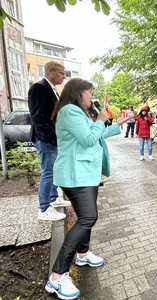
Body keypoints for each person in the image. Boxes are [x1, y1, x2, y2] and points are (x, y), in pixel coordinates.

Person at [45, 78, 133, 299]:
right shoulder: (69, 112)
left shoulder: (76, 112)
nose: (91, 97)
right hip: (77, 175)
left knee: (86, 215)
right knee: (88, 218)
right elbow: (87, 140)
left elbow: (96, 135)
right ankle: (57, 276)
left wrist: (117, 124)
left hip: (85, 175)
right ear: (78, 92)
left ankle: (82, 254)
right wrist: (100, 119)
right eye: (89, 92)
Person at [28, 61, 70, 221]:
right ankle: (44, 208)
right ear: (51, 72)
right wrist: (52, 139)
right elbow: (39, 118)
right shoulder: (39, 88)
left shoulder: (53, 89)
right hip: (46, 140)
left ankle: (53, 198)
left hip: (53, 139)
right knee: (48, 172)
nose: (63, 76)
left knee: (55, 171)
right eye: (61, 73)